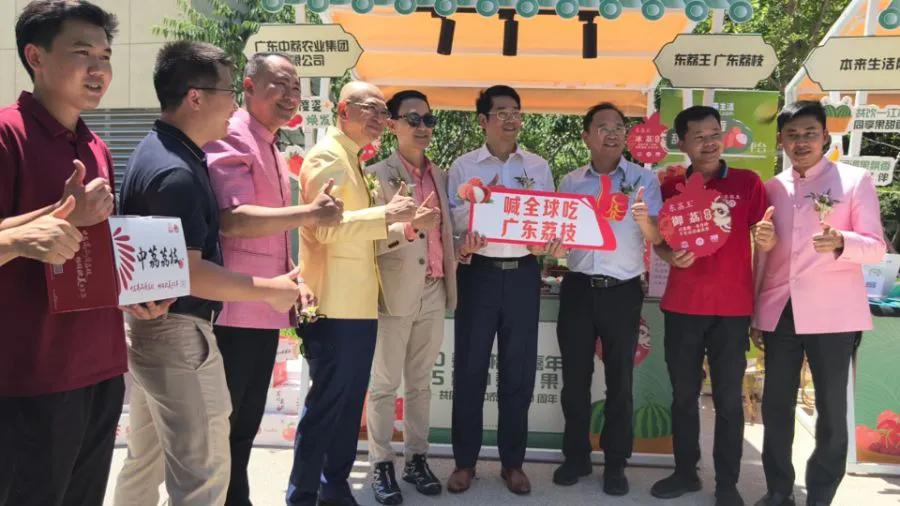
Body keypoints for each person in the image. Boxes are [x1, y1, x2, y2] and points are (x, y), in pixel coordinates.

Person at [113, 41, 310, 506]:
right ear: (196, 97)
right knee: (204, 474)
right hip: (180, 334)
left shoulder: (159, 151)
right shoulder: (176, 171)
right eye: (229, 92)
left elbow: (149, 256)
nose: (235, 105)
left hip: (152, 327)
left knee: (146, 462)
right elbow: (189, 270)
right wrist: (269, 289)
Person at [0, 2, 168, 505]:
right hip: (29, 375)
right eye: (82, 53)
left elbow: (94, 246)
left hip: (100, 367)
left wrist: (134, 290)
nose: (99, 69)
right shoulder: (7, 135)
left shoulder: (95, 146)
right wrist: (31, 232)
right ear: (36, 57)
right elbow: (54, 227)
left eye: (106, 56)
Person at [204, 52, 343, 506]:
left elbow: (270, 237)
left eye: (296, 88)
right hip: (234, 310)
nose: (290, 95)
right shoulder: (233, 135)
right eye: (279, 84)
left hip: (263, 310)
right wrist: (309, 213)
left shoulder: (270, 144)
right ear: (248, 86)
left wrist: (294, 279)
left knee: (243, 425)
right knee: (225, 428)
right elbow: (234, 219)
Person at [285, 81, 418, 506]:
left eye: (383, 111)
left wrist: (401, 224)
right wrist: (385, 214)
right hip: (333, 305)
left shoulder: (352, 158)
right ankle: (303, 494)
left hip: (358, 305)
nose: (379, 117)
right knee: (327, 407)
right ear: (343, 110)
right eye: (370, 108)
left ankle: (334, 486)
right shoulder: (327, 156)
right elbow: (325, 229)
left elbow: (357, 229)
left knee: (346, 408)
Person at [751, 101, 886, 506]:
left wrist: (843, 240)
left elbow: (876, 247)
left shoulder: (854, 180)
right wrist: (757, 311)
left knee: (830, 411)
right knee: (775, 407)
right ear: (780, 140)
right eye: (792, 135)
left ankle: (821, 495)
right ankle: (779, 490)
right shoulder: (772, 187)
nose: (801, 142)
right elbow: (765, 257)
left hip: (833, 315)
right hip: (782, 311)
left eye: (809, 133)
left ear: (825, 135)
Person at [650, 105, 776, 506]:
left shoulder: (747, 183)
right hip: (682, 307)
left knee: (728, 401)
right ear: (682, 143)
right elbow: (658, 242)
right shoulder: (669, 186)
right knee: (683, 397)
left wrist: (768, 238)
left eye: (715, 134)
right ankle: (686, 472)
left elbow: (764, 239)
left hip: (732, 310)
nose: (709, 143)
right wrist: (670, 256)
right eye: (699, 136)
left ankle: (727, 483)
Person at [446, 84, 566, 496]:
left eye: (516, 111)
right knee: (470, 370)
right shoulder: (463, 166)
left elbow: (549, 219)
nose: (511, 119)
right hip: (477, 275)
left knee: (519, 372)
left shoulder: (538, 166)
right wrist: (481, 213)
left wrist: (549, 243)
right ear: (483, 120)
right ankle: (464, 462)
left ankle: (512, 463)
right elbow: (453, 220)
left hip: (522, 276)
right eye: (502, 112)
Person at [553, 102, 662, 496]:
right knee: (574, 381)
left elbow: (657, 237)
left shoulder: (644, 180)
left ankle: (615, 463)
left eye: (619, 126)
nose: (613, 133)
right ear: (586, 136)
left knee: (620, 382)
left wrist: (645, 221)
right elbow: (559, 237)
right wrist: (553, 245)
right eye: (603, 126)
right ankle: (576, 457)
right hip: (578, 288)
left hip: (622, 292)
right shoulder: (570, 182)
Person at [364, 90, 457, 505]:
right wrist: (410, 227)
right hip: (393, 293)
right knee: (384, 385)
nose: (423, 127)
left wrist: (461, 249)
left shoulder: (442, 175)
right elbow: (366, 237)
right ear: (392, 125)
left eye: (429, 120)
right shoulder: (375, 174)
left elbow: (444, 233)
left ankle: (417, 459)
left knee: (420, 384)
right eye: (413, 119)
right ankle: (381, 463)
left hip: (434, 288)